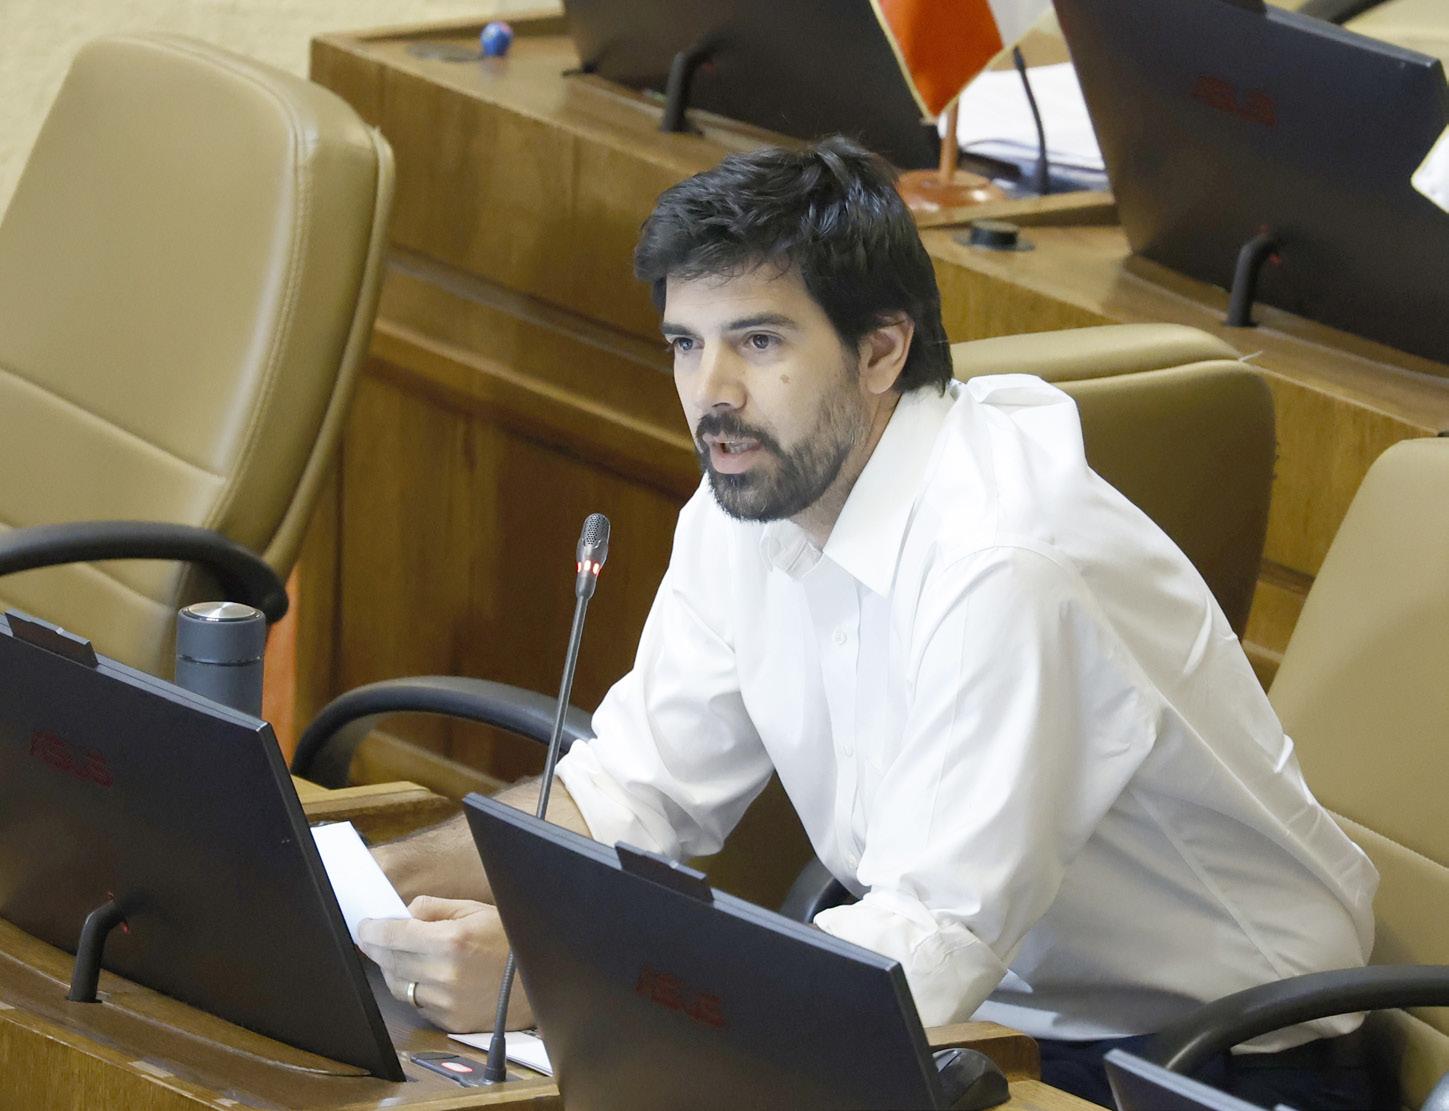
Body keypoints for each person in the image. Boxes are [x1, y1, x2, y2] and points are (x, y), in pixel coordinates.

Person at [358, 137, 1379, 1108]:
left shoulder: (1006, 562)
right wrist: (368, 881)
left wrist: (553, 977)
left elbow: (926, 943)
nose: (711, 394)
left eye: (758, 341)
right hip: (986, 1016)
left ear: (882, 350)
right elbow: (632, 789)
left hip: (1208, 1063)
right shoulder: (750, 496)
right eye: (686, 344)